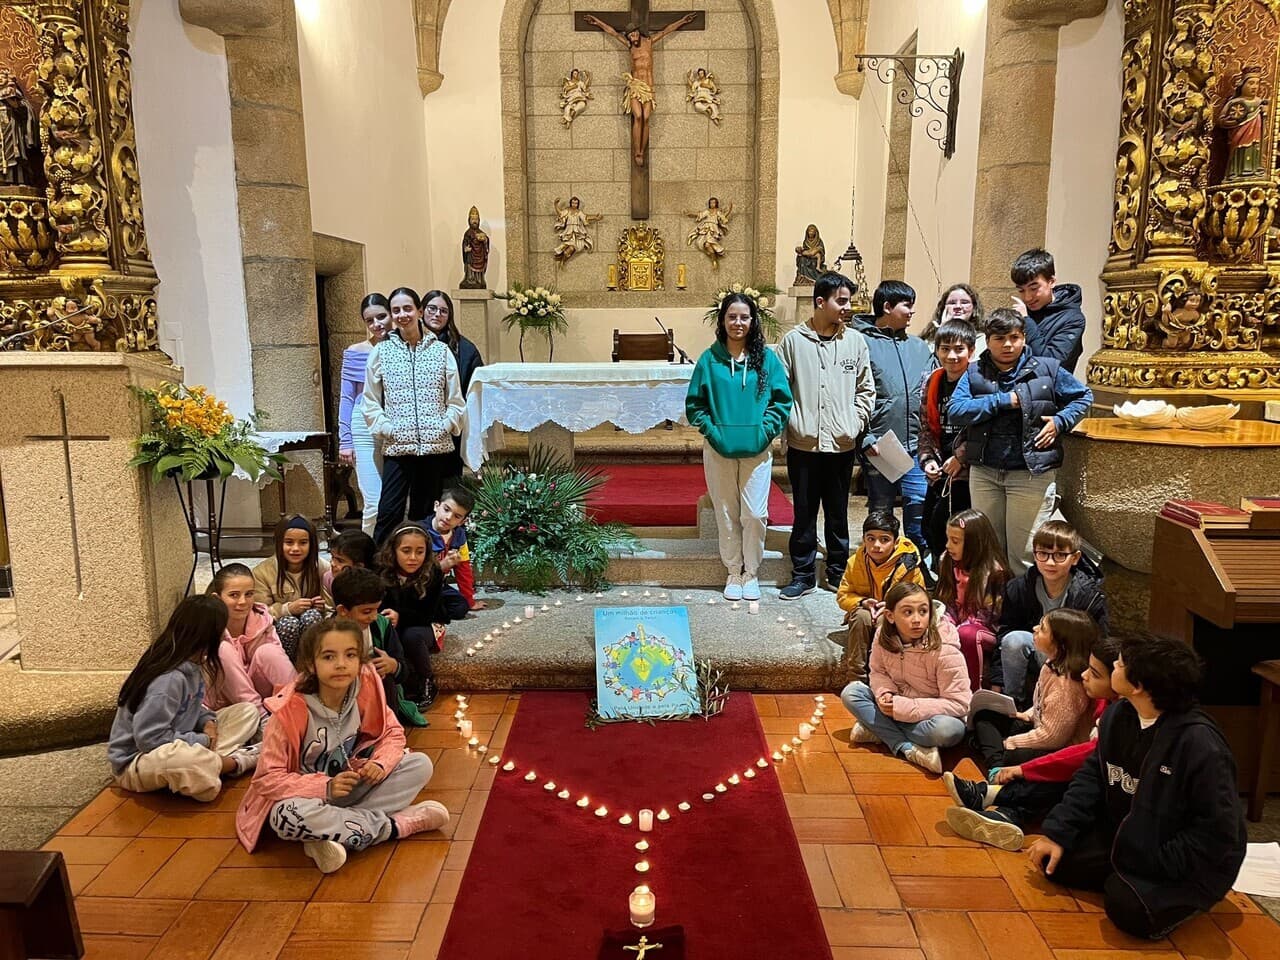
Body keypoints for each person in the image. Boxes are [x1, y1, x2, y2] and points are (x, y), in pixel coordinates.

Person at [1027, 633, 1247, 940]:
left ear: (1139, 685)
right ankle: (1123, 873)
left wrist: (1149, 861)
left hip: (1178, 860)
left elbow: (1217, 835)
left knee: (1126, 908)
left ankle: (1180, 898)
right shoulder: (1119, 715)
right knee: (1057, 863)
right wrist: (1058, 833)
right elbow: (1092, 777)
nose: (1113, 665)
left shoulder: (1200, 744)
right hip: (1130, 837)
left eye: (1118, 664)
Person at [234, 619, 450, 873]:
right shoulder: (289, 710)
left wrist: (379, 763)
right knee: (285, 816)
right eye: (328, 656)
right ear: (310, 665)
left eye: (350, 655)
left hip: (352, 785)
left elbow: (392, 733)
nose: (341, 664)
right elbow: (267, 779)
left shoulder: (366, 687)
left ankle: (330, 833)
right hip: (307, 799)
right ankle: (395, 826)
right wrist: (325, 787)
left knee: (419, 765)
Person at [947, 307, 1092, 574]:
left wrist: (1060, 422)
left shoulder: (1047, 369)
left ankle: (1021, 614)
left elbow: (1083, 397)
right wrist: (1002, 401)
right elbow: (956, 411)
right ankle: (991, 611)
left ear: (1024, 337)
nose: (1008, 345)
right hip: (985, 471)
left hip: (1030, 475)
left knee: (1023, 556)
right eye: (999, 339)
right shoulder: (975, 371)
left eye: (1014, 337)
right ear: (987, 340)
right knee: (987, 552)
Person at [943, 635, 1120, 850]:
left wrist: (1021, 766)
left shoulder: (1084, 693)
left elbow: (1065, 744)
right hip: (1071, 755)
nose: (1085, 675)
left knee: (1068, 779)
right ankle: (1005, 812)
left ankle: (990, 794)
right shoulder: (1104, 699)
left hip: (1092, 775)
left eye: (1094, 673)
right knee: (988, 721)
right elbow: (1040, 709)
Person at [686, 292, 793, 602]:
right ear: (722, 320)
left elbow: (782, 401)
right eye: (732, 316)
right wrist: (712, 431)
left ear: (752, 321)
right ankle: (734, 571)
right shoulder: (709, 360)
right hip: (719, 448)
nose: (738, 322)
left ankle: (752, 572)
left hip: (757, 448)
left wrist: (766, 431)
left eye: (744, 317)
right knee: (725, 511)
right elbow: (695, 405)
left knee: (755, 513)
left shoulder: (767, 360)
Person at [777, 271, 875, 599]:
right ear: (821, 302)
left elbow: (866, 390)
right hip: (804, 444)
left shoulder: (855, 342)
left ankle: (836, 571)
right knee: (803, 513)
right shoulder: (792, 342)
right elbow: (780, 390)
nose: (848, 307)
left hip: (841, 444)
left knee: (838, 512)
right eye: (842, 301)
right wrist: (792, 423)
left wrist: (854, 422)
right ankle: (802, 574)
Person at [109, 596, 261, 801]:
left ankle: (209, 762)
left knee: (246, 712)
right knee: (184, 760)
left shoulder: (193, 662)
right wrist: (204, 740)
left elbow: (193, 706)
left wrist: (207, 722)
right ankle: (235, 762)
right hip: (139, 762)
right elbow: (150, 740)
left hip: (182, 738)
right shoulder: (167, 679)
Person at [363, 286, 465, 545]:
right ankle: (381, 573)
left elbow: (455, 399)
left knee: (424, 515)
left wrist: (445, 425)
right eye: (396, 310)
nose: (402, 315)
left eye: (407, 308)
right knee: (388, 513)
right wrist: (387, 428)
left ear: (419, 311)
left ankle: (424, 573)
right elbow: (370, 400)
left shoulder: (440, 351)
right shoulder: (382, 352)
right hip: (398, 446)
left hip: (434, 448)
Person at [841, 581, 971, 774]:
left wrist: (903, 708)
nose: (917, 620)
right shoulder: (882, 635)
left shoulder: (945, 650)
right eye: (908, 612)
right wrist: (884, 692)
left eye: (923, 611)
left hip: (928, 715)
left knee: (949, 731)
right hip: (895, 705)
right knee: (852, 692)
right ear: (890, 616)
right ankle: (907, 748)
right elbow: (878, 671)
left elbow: (960, 703)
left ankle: (878, 729)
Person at [854, 281, 934, 562]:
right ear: (887, 307)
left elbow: (931, 391)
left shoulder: (919, 347)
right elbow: (851, 394)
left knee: (919, 507)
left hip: (916, 444)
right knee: (881, 509)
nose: (912, 312)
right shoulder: (859, 342)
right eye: (907, 305)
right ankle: (878, 567)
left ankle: (915, 567)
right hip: (880, 444)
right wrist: (865, 438)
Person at [994, 519, 1109, 704]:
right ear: (1034, 554)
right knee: (1013, 640)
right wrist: (997, 678)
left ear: (1075, 558)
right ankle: (1014, 701)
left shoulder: (1089, 595)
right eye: (1043, 554)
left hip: (1072, 658)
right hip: (1036, 651)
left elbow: (1099, 640)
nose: (1050, 562)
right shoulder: (1019, 588)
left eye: (1060, 555)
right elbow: (1006, 631)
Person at [971, 607, 1096, 772]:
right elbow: (1041, 704)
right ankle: (994, 753)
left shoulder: (1067, 686)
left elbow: (1052, 737)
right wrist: (1027, 715)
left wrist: (1010, 742)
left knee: (1013, 755)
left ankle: (996, 767)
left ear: (1060, 643)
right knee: (984, 717)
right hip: (1038, 726)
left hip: (1057, 747)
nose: (1035, 630)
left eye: (1042, 629)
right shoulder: (1051, 664)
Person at [835, 511, 926, 681]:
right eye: (871, 538)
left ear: (896, 541)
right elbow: (843, 595)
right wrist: (862, 602)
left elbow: (919, 602)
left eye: (884, 539)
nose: (877, 545)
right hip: (867, 612)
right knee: (861, 617)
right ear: (863, 539)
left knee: (887, 621)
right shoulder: (855, 562)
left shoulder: (909, 565)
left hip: (895, 616)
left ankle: (885, 677)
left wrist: (893, 607)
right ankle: (856, 677)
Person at [332, 567, 425, 728]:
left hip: (380, 693)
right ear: (343, 611)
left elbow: (403, 671)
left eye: (377, 609)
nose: (374, 616)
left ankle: (387, 730)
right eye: (367, 611)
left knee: (385, 679)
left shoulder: (381, 625)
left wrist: (393, 665)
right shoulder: (326, 635)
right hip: (343, 695)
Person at [918, 319, 977, 568]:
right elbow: (926, 428)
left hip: (967, 471)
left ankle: (954, 582)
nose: (951, 356)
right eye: (945, 349)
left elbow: (981, 430)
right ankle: (943, 577)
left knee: (951, 527)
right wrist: (928, 460)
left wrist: (961, 458)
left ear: (971, 351)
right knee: (928, 525)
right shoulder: (932, 382)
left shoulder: (978, 382)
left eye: (959, 349)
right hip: (941, 467)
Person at [205, 563, 296, 719]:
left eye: (249, 594)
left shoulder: (263, 622)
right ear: (217, 598)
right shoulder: (206, 627)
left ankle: (299, 708)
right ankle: (261, 720)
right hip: (225, 703)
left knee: (269, 651)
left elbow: (275, 664)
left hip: (263, 697)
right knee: (223, 649)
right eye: (234, 595)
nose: (243, 602)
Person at [934, 508, 1009, 690]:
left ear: (974, 544)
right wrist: (946, 622)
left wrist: (957, 628)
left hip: (983, 629)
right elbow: (947, 600)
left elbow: (989, 616)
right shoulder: (947, 561)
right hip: (957, 623)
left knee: (967, 634)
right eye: (948, 539)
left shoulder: (994, 572)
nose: (948, 545)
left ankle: (972, 692)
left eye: (955, 541)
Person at [377, 523, 445, 710]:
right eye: (406, 551)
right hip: (392, 623)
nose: (413, 558)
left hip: (426, 623)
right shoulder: (382, 571)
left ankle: (426, 680)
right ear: (394, 550)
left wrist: (401, 616)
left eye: (420, 552)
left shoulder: (433, 573)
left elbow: (429, 612)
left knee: (411, 636)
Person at [421, 289, 484, 485]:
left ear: (450, 316)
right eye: (432, 309)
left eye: (443, 311)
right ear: (421, 311)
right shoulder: (407, 342)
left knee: (449, 482)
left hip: (450, 424)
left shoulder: (464, 348)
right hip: (418, 425)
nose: (437, 314)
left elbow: (475, 386)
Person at [338, 294, 389, 535]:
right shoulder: (355, 351)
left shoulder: (402, 347)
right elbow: (347, 399)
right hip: (364, 425)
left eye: (382, 316)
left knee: (393, 501)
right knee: (373, 501)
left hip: (395, 427)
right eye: (370, 320)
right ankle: (368, 554)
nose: (377, 324)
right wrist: (345, 440)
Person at [252, 515, 331, 659]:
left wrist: (322, 606)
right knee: (289, 624)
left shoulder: (322, 568)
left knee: (312, 617)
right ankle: (287, 667)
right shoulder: (262, 572)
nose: (295, 549)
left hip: (313, 628)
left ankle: (312, 665)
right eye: (289, 542)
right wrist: (287, 609)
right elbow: (259, 613)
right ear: (279, 543)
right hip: (278, 630)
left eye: (303, 543)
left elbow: (333, 605)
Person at [1010, 249, 1087, 375]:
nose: (1028, 297)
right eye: (1021, 291)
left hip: (1050, 391)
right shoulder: (1022, 313)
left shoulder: (1073, 319)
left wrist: (1027, 321)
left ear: (1051, 282)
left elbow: (1052, 363)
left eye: (1034, 288)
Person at [426, 487, 486, 614]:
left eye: (456, 516)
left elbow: (464, 569)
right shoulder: (419, 532)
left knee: (461, 607)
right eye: (446, 509)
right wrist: (441, 566)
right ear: (436, 506)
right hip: (417, 586)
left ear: (462, 521)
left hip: (438, 585)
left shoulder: (459, 536)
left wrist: (470, 601)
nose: (448, 517)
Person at [921, 283, 985, 352]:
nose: (958, 306)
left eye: (964, 302)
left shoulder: (983, 340)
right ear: (943, 308)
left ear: (974, 307)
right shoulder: (929, 339)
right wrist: (943, 331)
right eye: (952, 303)